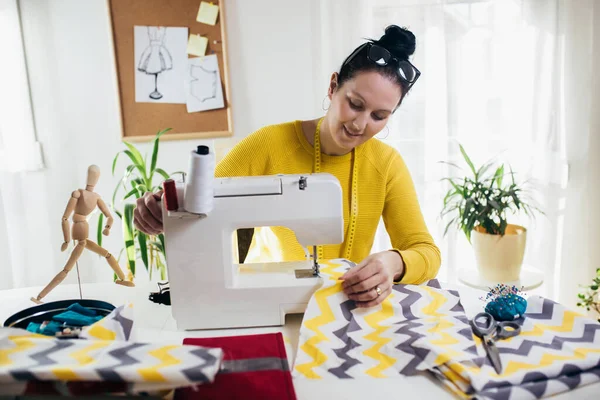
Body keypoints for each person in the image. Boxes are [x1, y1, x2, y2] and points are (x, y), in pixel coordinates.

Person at [134, 25, 441, 308]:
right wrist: (157, 211)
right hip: (275, 302)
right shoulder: (268, 145)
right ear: (333, 86)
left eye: (379, 116)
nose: (360, 124)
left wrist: (393, 262)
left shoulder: (387, 164)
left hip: (349, 307)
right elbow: (196, 210)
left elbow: (426, 251)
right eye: (355, 104)